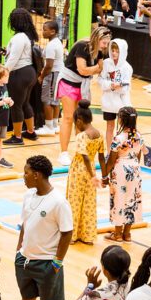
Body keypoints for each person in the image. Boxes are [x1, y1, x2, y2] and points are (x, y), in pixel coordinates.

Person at [8, 155, 73, 300]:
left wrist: (57, 262)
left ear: (37, 175)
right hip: (25, 260)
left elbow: (67, 232)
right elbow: (25, 224)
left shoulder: (58, 202)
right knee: (27, 298)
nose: (23, 176)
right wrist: (19, 250)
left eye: (26, 172)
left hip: (47, 263)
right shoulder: (28, 195)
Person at [58, 26, 112, 166]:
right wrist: (95, 69)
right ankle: (63, 153)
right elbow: (82, 70)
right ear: (96, 38)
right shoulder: (83, 46)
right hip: (68, 82)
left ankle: (80, 149)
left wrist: (93, 70)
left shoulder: (100, 51)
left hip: (81, 85)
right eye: (104, 43)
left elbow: (98, 70)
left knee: (80, 119)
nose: (105, 46)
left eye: (107, 43)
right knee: (69, 117)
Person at [102, 106, 144, 243]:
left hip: (120, 170)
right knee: (132, 199)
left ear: (121, 120)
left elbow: (112, 161)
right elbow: (138, 156)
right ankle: (127, 234)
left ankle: (118, 234)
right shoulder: (139, 136)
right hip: (135, 168)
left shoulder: (118, 138)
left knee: (119, 199)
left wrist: (104, 176)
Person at [67, 100, 106, 245]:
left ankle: (71, 236)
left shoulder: (81, 136)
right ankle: (87, 236)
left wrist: (92, 175)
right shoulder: (100, 135)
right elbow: (101, 158)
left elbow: (84, 158)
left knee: (74, 203)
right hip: (93, 172)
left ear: (79, 120)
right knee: (89, 203)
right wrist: (103, 176)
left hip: (79, 171)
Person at [3, 8, 39, 144]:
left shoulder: (19, 37)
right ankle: (30, 131)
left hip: (20, 73)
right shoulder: (27, 36)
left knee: (16, 105)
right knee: (25, 103)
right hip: (29, 72)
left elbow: (13, 59)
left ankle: (17, 137)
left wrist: (3, 73)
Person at [100, 39, 133, 141]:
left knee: (123, 128)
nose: (114, 53)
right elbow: (100, 80)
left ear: (122, 51)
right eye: (112, 50)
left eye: (117, 51)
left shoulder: (127, 68)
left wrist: (119, 87)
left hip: (122, 103)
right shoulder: (106, 63)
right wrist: (111, 85)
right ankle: (109, 153)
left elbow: (126, 88)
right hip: (108, 102)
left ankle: (120, 151)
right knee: (109, 126)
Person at [38, 20, 63, 136]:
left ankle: (48, 127)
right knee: (55, 100)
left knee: (47, 100)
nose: (42, 32)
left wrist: (42, 76)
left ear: (53, 31)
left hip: (52, 74)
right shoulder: (57, 42)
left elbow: (49, 65)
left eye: (45, 29)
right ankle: (54, 125)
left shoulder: (51, 46)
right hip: (58, 74)